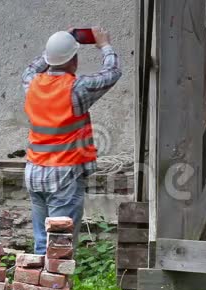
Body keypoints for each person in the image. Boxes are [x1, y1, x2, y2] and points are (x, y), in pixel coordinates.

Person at [21, 27, 122, 254]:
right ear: (74, 60)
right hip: (63, 176)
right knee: (60, 246)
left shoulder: (31, 84)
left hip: (34, 172)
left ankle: (40, 287)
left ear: (48, 59)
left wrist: (56, 45)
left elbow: (31, 69)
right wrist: (104, 44)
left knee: (42, 244)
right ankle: (55, 286)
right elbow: (113, 72)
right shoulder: (76, 89)